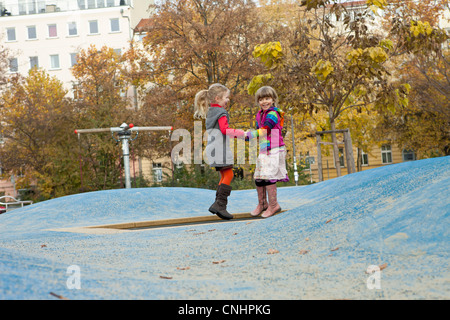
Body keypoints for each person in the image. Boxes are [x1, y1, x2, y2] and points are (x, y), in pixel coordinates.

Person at [194, 83, 245, 220]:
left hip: (212, 148)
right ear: (217, 98)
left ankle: (219, 204)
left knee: (224, 175)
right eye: (226, 98)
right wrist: (240, 133)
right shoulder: (221, 113)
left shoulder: (210, 112)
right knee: (229, 174)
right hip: (220, 148)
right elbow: (225, 130)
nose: (228, 100)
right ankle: (220, 204)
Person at [246, 86, 288, 218]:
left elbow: (265, 129)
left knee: (269, 176)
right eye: (261, 99)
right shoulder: (260, 114)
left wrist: (250, 135)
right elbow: (260, 132)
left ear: (273, 100)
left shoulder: (273, 114)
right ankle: (263, 204)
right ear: (258, 101)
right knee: (259, 177)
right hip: (264, 149)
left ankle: (274, 205)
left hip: (274, 148)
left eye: (267, 98)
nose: (264, 102)